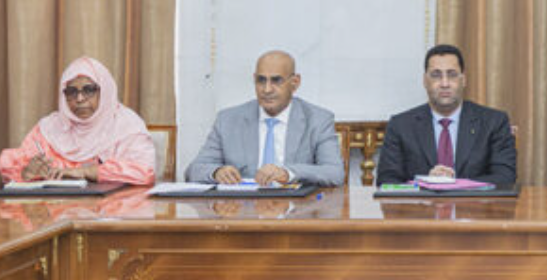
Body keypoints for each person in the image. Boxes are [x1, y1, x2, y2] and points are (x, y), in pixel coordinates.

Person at [185, 50, 345, 186]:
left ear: (295, 83)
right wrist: (216, 172)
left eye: (276, 81)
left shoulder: (318, 120)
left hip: (295, 214)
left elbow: (334, 173)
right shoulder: (228, 120)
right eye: (261, 80)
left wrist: (288, 173)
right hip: (242, 214)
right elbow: (194, 170)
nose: (267, 89)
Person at [0, 57, 155, 185]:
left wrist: (87, 171)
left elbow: (144, 172)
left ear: (105, 90)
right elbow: (9, 166)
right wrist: (26, 173)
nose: (79, 99)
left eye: (88, 90)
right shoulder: (49, 128)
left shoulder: (126, 125)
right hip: (55, 214)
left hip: (109, 213)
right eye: (72, 92)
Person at [375, 44, 517, 185]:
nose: (444, 83)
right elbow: (386, 182)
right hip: (420, 207)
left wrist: (455, 184)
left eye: (452, 75)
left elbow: (505, 177)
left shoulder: (494, 122)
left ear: (463, 80)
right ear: (425, 81)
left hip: (474, 207)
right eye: (436, 75)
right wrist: (426, 183)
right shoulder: (400, 126)